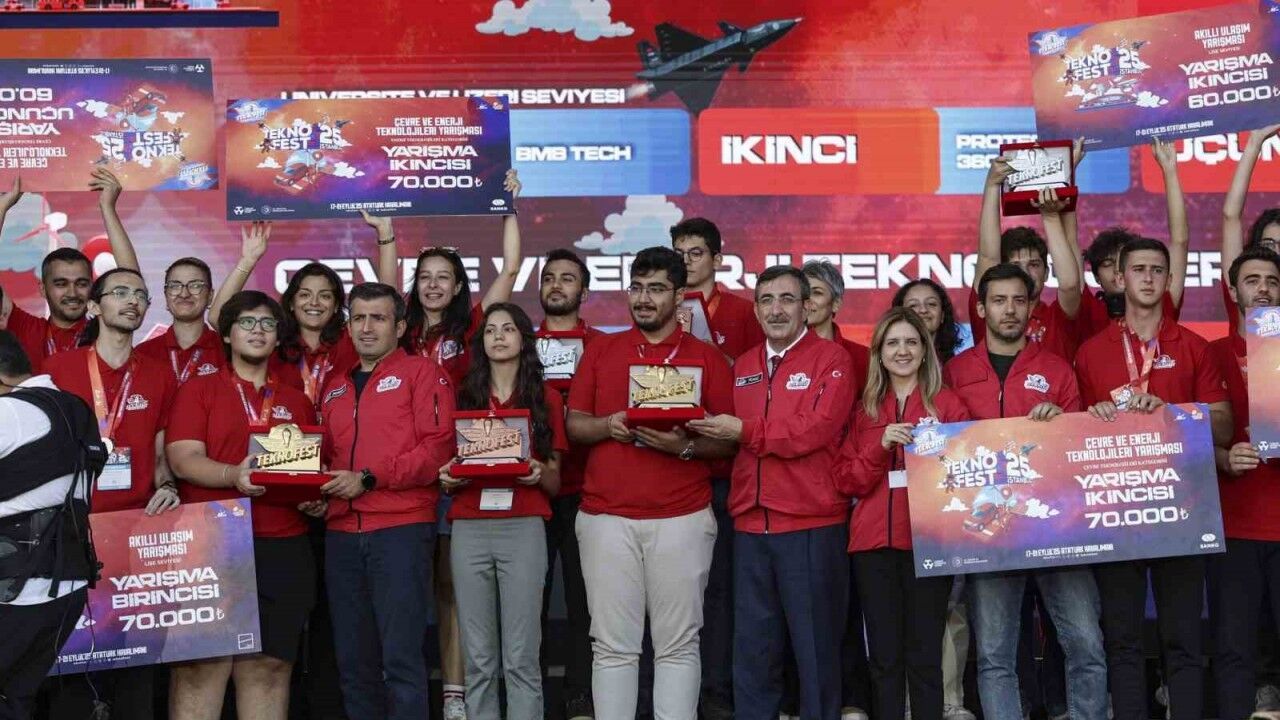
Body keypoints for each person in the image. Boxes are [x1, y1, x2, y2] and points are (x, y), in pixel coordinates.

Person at [566, 246, 736, 720]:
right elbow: (575, 425)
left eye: (657, 289)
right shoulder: (602, 350)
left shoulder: (707, 358)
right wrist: (610, 425)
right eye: (637, 288)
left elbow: (728, 442)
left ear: (679, 296)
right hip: (605, 518)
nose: (643, 299)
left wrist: (682, 446)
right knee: (611, 646)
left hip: (682, 516)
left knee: (678, 645)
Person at [687, 265, 855, 720]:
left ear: (807, 307)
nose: (776, 310)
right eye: (766, 300)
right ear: (757, 310)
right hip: (749, 525)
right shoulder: (743, 365)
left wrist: (745, 431)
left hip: (810, 524)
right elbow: (720, 432)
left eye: (787, 299)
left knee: (815, 653)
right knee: (753, 653)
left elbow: (814, 429)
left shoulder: (832, 359)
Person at [1075, 238, 1233, 720]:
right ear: (1119, 278)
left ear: (1168, 279)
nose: (1147, 277)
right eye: (1138, 269)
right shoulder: (1091, 352)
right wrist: (1091, 418)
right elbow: (1071, 438)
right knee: (1122, 641)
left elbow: (1224, 426)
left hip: (1181, 508)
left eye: (1157, 270)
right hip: (1118, 512)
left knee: (1183, 639)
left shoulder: (1194, 346)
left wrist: (1172, 413)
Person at [944, 263, 1108, 720]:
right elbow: (943, 451)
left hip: (1055, 526)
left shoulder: (1056, 369)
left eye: (1019, 300)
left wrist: (1061, 423)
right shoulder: (955, 371)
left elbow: (1078, 451)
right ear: (981, 309)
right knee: (994, 655)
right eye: (999, 300)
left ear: (1032, 307)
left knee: (1086, 642)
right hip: (988, 532)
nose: (1010, 309)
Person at [386, 170, 522, 719]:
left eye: (444, 277)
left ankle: (454, 694)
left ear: (459, 286)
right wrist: (384, 231)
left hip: (460, 470)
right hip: (406, 471)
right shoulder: (399, 332)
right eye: (425, 277)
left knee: (450, 588)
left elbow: (510, 268)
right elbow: (383, 284)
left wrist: (508, 205)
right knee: (404, 589)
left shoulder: (473, 329)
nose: (433, 285)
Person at [165, 290, 324, 720]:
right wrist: (232, 475)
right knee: (200, 668)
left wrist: (312, 499)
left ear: (278, 337)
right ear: (228, 334)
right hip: (212, 544)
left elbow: (305, 472)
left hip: (283, 544)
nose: (258, 330)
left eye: (268, 324)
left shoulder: (296, 400)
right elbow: (183, 459)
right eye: (247, 322)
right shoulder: (199, 389)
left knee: (269, 667)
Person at [41, 268, 180, 720]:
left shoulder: (159, 374)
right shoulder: (58, 369)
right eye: (120, 292)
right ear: (94, 306)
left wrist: (168, 485)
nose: (132, 300)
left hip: (136, 530)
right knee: (72, 663)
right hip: (70, 532)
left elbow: (161, 449)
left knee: (135, 661)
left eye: (140, 294)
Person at [319, 282, 456, 720]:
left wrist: (369, 478)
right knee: (353, 663)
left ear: (399, 327)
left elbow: (438, 448)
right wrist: (313, 493)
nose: (366, 327)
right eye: (358, 318)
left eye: (377, 318)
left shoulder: (423, 373)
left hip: (400, 530)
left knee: (401, 661)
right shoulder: (335, 387)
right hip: (341, 534)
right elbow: (323, 458)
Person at [835, 307, 969, 720]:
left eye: (911, 341)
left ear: (925, 350)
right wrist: (879, 448)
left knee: (925, 656)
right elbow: (847, 480)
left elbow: (966, 474)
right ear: (879, 353)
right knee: (884, 657)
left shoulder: (948, 405)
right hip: (872, 547)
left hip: (929, 545)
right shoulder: (865, 410)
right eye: (892, 343)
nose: (903, 350)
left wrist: (935, 451)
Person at [440, 303, 567, 720]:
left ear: (524, 340)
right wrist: (447, 476)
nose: (498, 336)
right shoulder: (463, 394)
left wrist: (539, 473)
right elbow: (447, 467)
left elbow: (556, 482)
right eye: (490, 330)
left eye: (508, 328)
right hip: (470, 527)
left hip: (523, 526)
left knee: (521, 657)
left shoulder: (545, 397)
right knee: (478, 658)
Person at [670, 216, 761, 719]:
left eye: (696, 252)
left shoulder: (745, 312)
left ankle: (718, 695)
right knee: (676, 594)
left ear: (717, 259)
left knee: (722, 593)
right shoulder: (660, 310)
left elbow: (755, 384)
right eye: (679, 252)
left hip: (728, 475)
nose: (687, 261)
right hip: (675, 471)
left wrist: (709, 355)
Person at [0, 330, 103, 720]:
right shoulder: (75, 409)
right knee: (15, 699)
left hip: (13, 588)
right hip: (65, 589)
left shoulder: (8, 413)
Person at [1207, 246, 1280, 720]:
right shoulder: (1209, 354)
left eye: (1272, 281)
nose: (1263, 289)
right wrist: (1223, 457)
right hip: (1232, 527)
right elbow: (1183, 440)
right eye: (1252, 280)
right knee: (1233, 650)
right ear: (1232, 292)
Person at [209, 219, 392, 407]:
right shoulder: (274, 340)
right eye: (305, 295)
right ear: (291, 303)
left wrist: (386, 234)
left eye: (325, 296)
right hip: (282, 425)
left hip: (341, 426)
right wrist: (247, 261)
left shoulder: (351, 339)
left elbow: (386, 305)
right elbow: (218, 318)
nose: (314, 302)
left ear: (336, 305)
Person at [801, 259, 871, 720]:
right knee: (805, 605)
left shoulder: (862, 359)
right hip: (802, 498)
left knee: (851, 603)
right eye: (800, 293)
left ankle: (854, 700)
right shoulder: (779, 357)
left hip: (855, 493)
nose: (806, 303)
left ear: (837, 304)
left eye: (815, 293)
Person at [535, 248, 603, 720]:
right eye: (549, 278)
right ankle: (532, 696)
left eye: (567, 278)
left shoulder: (603, 346)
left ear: (585, 291)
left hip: (588, 490)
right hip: (533, 489)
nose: (557, 285)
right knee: (529, 604)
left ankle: (581, 694)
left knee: (586, 602)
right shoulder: (519, 344)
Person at [0, 170, 138, 373]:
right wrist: (3, 206)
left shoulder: (105, 330)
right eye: (61, 284)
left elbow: (132, 283)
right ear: (43, 289)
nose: (72, 293)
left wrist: (107, 208)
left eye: (81, 283)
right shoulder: (27, 328)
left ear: (92, 288)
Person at [970, 146, 1084, 359]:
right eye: (1015, 266)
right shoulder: (988, 313)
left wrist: (1064, 179)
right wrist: (992, 184)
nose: (1025, 272)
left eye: (1034, 264)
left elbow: (1070, 282)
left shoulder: (1058, 317)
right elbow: (988, 256)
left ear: (1047, 272)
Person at [1075, 139, 1187, 342]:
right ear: (1096, 277)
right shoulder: (1088, 312)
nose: (1116, 270)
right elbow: (1070, 244)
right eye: (1107, 264)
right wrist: (1069, 173)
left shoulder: (1161, 305)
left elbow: (1180, 241)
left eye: (1123, 262)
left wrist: (1169, 170)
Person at [1221, 123, 1280, 337]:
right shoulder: (1244, 280)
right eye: (1268, 244)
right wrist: (1255, 142)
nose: (1275, 251)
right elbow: (1231, 216)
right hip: (1248, 360)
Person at [135, 256, 223, 384]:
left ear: (210, 296)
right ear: (166, 296)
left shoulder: (226, 350)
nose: (184, 294)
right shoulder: (143, 353)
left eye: (195, 285)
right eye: (175, 286)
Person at [893, 278, 964, 364]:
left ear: (942, 315)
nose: (923, 310)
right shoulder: (890, 362)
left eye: (931, 304)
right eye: (913, 305)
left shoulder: (956, 366)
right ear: (899, 315)